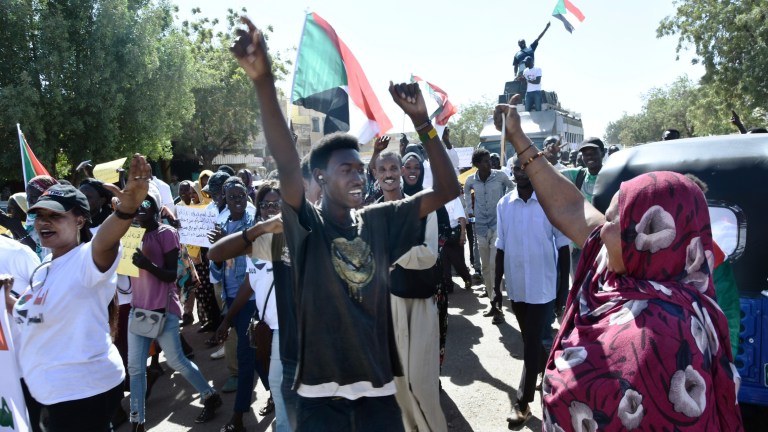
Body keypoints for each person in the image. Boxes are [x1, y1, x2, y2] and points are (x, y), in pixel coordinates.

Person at [230, 17, 459, 431]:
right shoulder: (306, 228)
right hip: (320, 397)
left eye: (360, 169)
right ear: (319, 178)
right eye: (345, 170)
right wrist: (264, 82)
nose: (358, 177)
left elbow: (446, 190)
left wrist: (423, 123)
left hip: (379, 391)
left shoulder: (380, 220)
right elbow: (285, 162)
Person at [494, 97, 743, 430]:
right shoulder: (619, 266)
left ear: (650, 237)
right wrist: (519, 139)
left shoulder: (671, 336)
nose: (602, 227)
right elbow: (571, 207)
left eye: (615, 219)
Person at [8, 156, 149, 432]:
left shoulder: (86, 260)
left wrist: (125, 211)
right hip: (52, 395)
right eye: (40, 216)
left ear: (80, 220)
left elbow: (105, 241)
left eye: (56, 216)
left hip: (82, 394)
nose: (44, 223)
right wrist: (5, 297)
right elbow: (28, 313)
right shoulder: (44, 270)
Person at [127, 183, 221, 430]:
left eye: (146, 204)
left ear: (157, 207)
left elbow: (171, 275)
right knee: (136, 368)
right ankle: (137, 420)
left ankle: (210, 394)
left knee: (177, 360)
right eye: (137, 205)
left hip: (164, 308)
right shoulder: (130, 234)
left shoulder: (166, 233)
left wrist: (147, 265)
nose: (140, 209)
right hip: (139, 309)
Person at [209, 181, 300, 432]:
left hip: (291, 329)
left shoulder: (295, 236)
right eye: (266, 205)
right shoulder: (257, 240)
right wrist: (228, 319)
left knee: (284, 387)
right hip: (268, 326)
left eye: (277, 204)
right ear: (258, 208)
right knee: (278, 384)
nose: (271, 209)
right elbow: (222, 260)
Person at [493, 154, 570, 425]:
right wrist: (495, 287)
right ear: (511, 172)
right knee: (533, 341)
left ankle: (522, 403)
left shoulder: (549, 202)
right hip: (517, 288)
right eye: (516, 167)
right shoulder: (504, 205)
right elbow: (500, 247)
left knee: (529, 343)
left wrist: (563, 291)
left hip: (543, 288)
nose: (521, 172)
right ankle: (555, 369)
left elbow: (563, 248)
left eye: (525, 166)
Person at [377, 150, 447, 431]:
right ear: (376, 175)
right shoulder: (370, 214)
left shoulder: (422, 208)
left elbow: (429, 255)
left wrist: (392, 256)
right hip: (385, 305)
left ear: (403, 172)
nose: (389, 174)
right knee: (396, 383)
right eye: (383, 170)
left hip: (418, 303)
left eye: (394, 168)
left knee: (421, 382)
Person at [464, 147, 514, 320]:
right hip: (481, 227)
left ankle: (497, 305)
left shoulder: (500, 176)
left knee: (494, 265)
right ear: (477, 164)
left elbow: (512, 187)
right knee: (485, 267)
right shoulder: (471, 180)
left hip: (497, 225)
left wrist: (506, 204)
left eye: (489, 160)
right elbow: (465, 192)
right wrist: (469, 210)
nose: (489, 163)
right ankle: (492, 300)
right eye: (485, 161)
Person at [560, 137, 605, 279]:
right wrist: (548, 156)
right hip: (580, 245)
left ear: (603, 153)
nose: (589, 156)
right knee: (579, 288)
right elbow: (547, 174)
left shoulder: (612, 174)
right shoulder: (577, 175)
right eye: (586, 153)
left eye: (593, 152)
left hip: (606, 245)